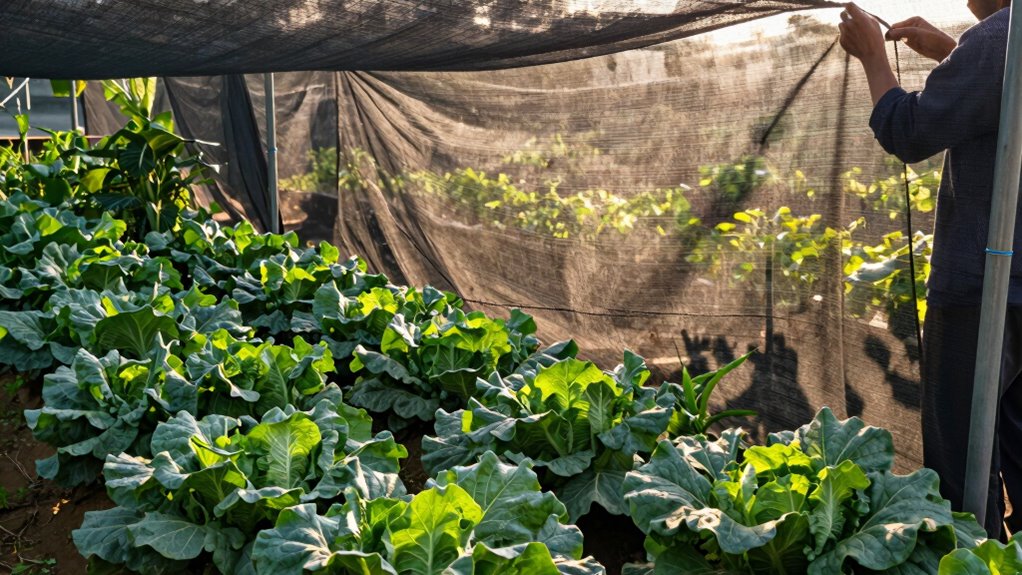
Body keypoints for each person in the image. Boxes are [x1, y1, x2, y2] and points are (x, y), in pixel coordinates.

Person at [838, 1, 1019, 539]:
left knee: (964, 459)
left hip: (983, 289)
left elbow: (908, 130)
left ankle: (974, 556)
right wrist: (952, 52)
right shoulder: (996, 43)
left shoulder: (998, 39)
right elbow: (1005, 93)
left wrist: (874, 56)